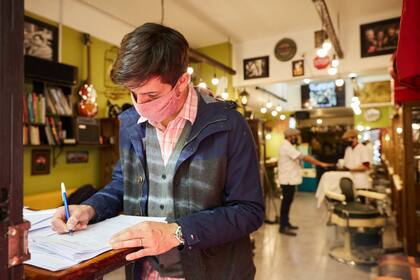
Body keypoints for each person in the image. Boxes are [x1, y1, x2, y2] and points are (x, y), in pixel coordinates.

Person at [51, 23, 264, 279]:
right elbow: (123, 183)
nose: (140, 106)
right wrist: (90, 208)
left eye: (151, 95)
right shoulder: (131, 125)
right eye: (133, 94)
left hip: (211, 270)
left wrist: (177, 232)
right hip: (146, 270)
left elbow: (248, 210)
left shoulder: (227, 125)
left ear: (182, 81)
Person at [277, 128, 332, 236]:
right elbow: (303, 157)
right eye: (294, 136)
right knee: (286, 204)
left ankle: (286, 223)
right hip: (287, 180)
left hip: (289, 180)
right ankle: (283, 227)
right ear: (289, 137)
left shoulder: (289, 146)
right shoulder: (286, 146)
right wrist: (320, 163)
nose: (296, 138)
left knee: (288, 203)